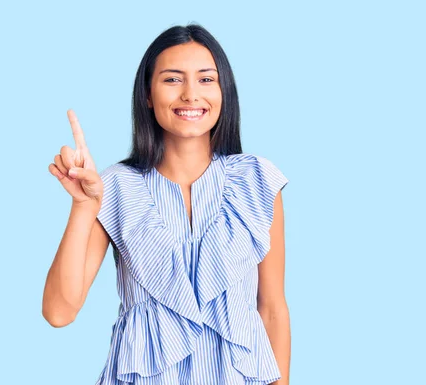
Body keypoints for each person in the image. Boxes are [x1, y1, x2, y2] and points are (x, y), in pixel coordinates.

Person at [42, 24, 291, 385]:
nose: (191, 95)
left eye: (207, 80)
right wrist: (84, 206)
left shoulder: (257, 181)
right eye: (173, 80)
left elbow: (272, 310)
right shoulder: (114, 187)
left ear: (225, 92)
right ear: (147, 93)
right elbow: (58, 312)